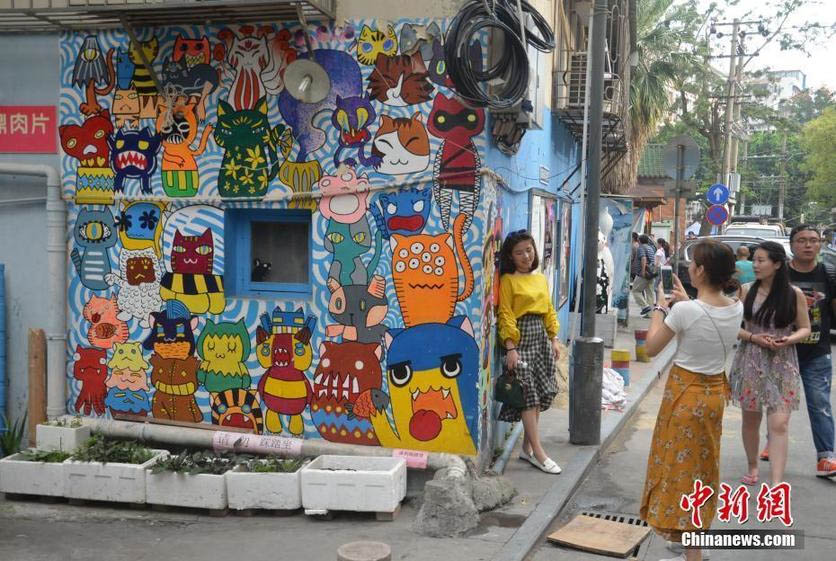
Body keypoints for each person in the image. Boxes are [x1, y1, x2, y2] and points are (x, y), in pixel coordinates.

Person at [640, 239, 744, 561]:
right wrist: (686, 302)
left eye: (692, 264)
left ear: (700, 271)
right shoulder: (736, 306)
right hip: (713, 395)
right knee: (700, 469)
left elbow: (651, 348)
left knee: (680, 472)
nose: (688, 268)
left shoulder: (685, 311)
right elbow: (706, 317)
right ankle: (690, 543)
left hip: (684, 397)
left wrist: (659, 308)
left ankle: (692, 554)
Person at [729, 241, 810, 487]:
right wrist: (754, 337)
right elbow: (733, 326)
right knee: (751, 419)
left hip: (783, 362)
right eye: (754, 260)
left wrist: (789, 339)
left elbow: (805, 328)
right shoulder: (745, 291)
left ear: (776, 264)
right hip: (751, 359)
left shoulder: (793, 293)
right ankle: (753, 465)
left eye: (761, 260)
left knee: (780, 423)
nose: (755, 265)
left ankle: (776, 482)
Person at [496, 230, 562, 475]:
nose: (525, 255)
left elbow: (549, 309)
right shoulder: (508, 281)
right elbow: (505, 314)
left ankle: (526, 449)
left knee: (539, 395)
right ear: (511, 257)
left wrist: (554, 338)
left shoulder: (540, 279)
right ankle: (540, 453)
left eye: (529, 249)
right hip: (521, 339)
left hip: (541, 339)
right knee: (527, 397)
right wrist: (511, 347)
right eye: (519, 252)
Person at [783, 225, 836, 478]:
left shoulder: (830, 273)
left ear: (820, 244)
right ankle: (773, 442)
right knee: (778, 405)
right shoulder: (779, 273)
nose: (808, 245)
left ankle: (826, 457)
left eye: (813, 240)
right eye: (802, 240)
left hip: (817, 351)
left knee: (820, 404)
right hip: (782, 351)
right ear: (792, 244)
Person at [631, 234, 656, 316]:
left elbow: (643, 258)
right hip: (652, 273)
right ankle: (650, 314)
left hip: (644, 273)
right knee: (650, 293)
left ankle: (645, 307)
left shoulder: (641, 248)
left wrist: (642, 271)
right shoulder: (651, 248)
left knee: (635, 291)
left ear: (640, 241)